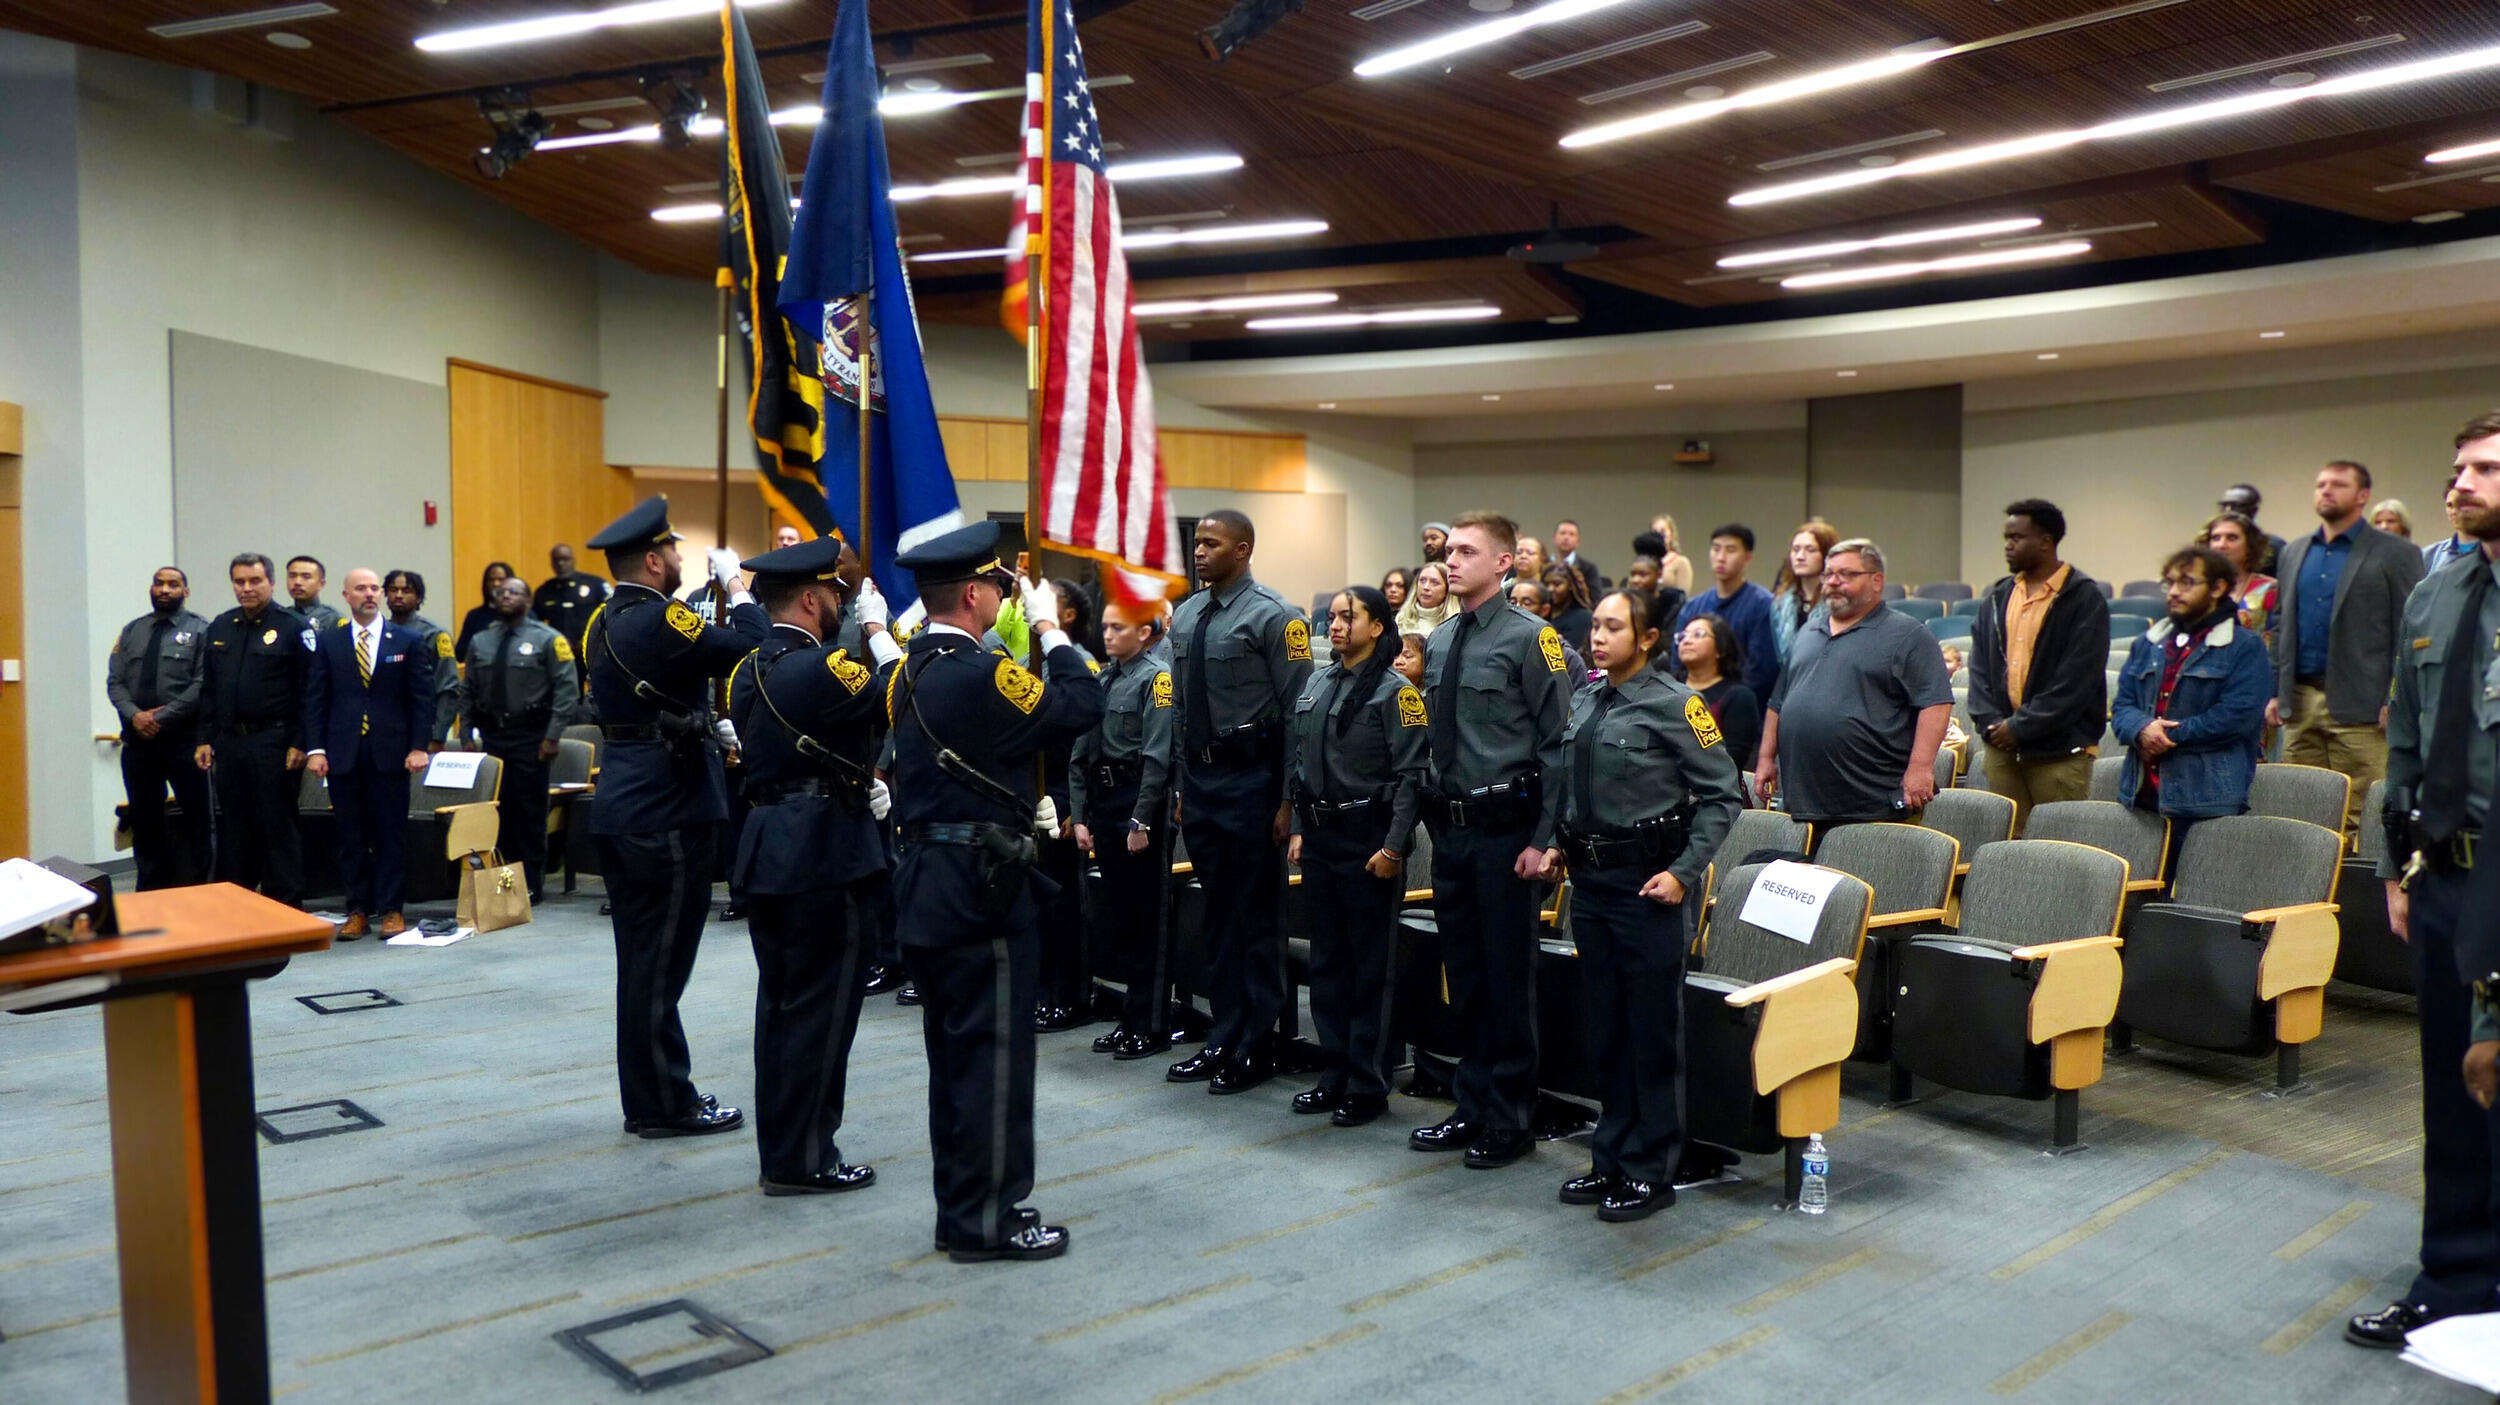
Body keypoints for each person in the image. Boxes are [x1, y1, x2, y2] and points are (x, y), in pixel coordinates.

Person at [886, 524, 1103, 1262]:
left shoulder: (908, 670)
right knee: (994, 1061)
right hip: (981, 887)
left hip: (926, 881)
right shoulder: (981, 672)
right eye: (1000, 590)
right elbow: (1080, 703)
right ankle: (991, 1219)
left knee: (953, 1061)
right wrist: (1050, 628)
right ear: (975, 594)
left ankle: (960, 1208)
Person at [2350, 411, 2500, 1349]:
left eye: (2487, 467)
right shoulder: (2436, 594)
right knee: (2453, 1090)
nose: (2464, 482)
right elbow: (2404, 741)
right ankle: (2456, 1274)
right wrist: (2395, 869)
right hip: (2446, 876)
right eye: (2460, 468)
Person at [1547, 589, 1742, 1221]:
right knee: (1606, 1030)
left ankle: (1650, 1170)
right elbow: (1569, 788)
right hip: (1592, 886)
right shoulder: (1586, 698)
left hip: (1647, 887)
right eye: (1595, 627)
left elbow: (1724, 797)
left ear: (1648, 638)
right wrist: (1554, 844)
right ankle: (1609, 1158)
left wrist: (1683, 874)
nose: (1597, 638)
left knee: (1651, 1034)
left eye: (1613, 628)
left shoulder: (1678, 705)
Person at [583, 497, 773, 1140]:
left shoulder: (601, 622)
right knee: (659, 968)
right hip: (665, 807)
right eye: (671, 552)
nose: (677, 560)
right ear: (652, 560)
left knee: (640, 964)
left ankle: (647, 1098)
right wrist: (736, 587)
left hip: (624, 800)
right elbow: (753, 645)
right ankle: (666, 1103)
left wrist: (698, 720)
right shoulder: (662, 617)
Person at [727, 535, 901, 1197]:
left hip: (768, 845)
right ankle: (807, 1158)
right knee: (824, 1013)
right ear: (808, 598)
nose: (839, 603)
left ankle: (783, 1150)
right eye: (832, 592)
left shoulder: (747, 670)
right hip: (826, 851)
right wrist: (879, 633)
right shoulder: (825, 666)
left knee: (780, 1006)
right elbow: (905, 693)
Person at [1414, 511, 1570, 1169]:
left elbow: (1560, 744)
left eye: (1466, 552)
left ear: (1504, 563)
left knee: (1508, 980)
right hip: (1452, 829)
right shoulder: (1442, 640)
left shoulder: (1534, 639)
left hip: (1508, 833)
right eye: (1448, 551)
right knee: (1467, 976)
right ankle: (1472, 1102)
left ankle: (1510, 1117)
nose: (1451, 561)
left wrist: (1546, 838)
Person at [1167, 510, 1313, 1093]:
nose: (1199, 551)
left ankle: (1259, 1042)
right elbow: (1180, 710)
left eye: (1212, 543)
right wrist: (1182, 786)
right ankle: (1224, 1033)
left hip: (1254, 782)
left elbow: (1299, 715)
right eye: (1197, 543)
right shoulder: (1186, 614)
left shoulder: (1277, 616)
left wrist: (1288, 801)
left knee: (1257, 918)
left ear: (1243, 549)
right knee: (1218, 916)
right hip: (1202, 783)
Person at [1286, 585, 1429, 1127]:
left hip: (1370, 840)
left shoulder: (1397, 693)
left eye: (1350, 616)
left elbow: (1412, 778)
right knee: (1328, 961)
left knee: (1369, 967)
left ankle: (1368, 1083)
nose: (1336, 624)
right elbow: (1301, 763)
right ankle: (1335, 1071)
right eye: (1334, 616)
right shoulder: (1318, 681)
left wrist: (1394, 845)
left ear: (1377, 627)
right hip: (1321, 837)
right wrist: (1298, 828)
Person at [2267, 460, 2425, 837]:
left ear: (2362, 495)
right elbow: (2281, 624)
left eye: (2338, 484)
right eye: (2321, 484)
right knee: (2300, 811)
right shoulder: (2294, 551)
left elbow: (2413, 628)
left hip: (2364, 706)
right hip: (2300, 702)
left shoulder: (2395, 551)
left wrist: (2396, 697)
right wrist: (2274, 690)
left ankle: (2359, 879)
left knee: (2363, 815)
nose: (2326, 490)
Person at [1757, 540, 1952, 831]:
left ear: (1877, 581)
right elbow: (1778, 702)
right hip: (1802, 801)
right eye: (1829, 574)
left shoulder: (1909, 635)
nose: (1833, 582)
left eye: (1846, 574)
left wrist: (1920, 767)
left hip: (1873, 803)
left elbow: (1935, 702)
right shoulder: (1809, 631)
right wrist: (1765, 758)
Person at [2109, 545, 2272, 876]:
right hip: (2142, 795)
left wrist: (2166, 735)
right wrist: (2141, 729)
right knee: (2140, 893)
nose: (2173, 592)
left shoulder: (2245, 646)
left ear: (2217, 588)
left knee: (2195, 893)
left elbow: (2238, 717)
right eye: (2169, 582)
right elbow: (2122, 705)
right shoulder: (2148, 643)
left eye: (2186, 582)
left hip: (2205, 799)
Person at [302, 569, 437, 938]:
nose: (370, 594)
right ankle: (358, 909)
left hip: (391, 752)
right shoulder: (330, 641)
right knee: (350, 836)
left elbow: (422, 699)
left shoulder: (407, 640)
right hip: (343, 752)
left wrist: (418, 746)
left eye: (375, 588)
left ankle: (392, 909)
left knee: (390, 834)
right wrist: (316, 749)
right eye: (361, 589)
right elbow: (316, 698)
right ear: (346, 595)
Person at [1072, 594, 1177, 1060]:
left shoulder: (1157, 679)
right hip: (1104, 802)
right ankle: (1129, 1018)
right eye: (1106, 627)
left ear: (1145, 633)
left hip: (1137, 803)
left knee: (1146, 919)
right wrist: (1080, 817)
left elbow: (1157, 758)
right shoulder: (1102, 679)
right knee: (1118, 917)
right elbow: (1080, 754)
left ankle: (1150, 1024)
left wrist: (1141, 818)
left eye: (1118, 628)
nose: (1108, 634)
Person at [1965, 501, 2110, 831]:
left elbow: (2076, 681)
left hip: (2058, 751)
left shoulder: (2083, 599)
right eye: (2006, 538)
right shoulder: (1998, 596)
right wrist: (1991, 723)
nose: (2008, 545)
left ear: (2045, 541)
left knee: (2057, 847)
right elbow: (1980, 669)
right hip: (2002, 750)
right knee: (2010, 846)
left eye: (2016, 537)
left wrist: (2019, 728)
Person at [192, 554, 310, 906]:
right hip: (230, 742)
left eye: (255, 581)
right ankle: (240, 905)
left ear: (271, 583)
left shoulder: (293, 627)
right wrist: (204, 739)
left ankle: (284, 906)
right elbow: (209, 689)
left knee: (276, 825)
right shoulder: (221, 626)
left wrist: (301, 741)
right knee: (234, 827)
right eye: (239, 581)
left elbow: (310, 691)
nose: (246, 588)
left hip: (274, 741)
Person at [454, 576, 582, 902]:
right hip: (493, 736)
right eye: (502, 592)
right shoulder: (481, 640)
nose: (506, 596)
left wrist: (552, 737)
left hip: (531, 737)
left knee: (529, 813)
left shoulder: (548, 639)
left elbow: (567, 692)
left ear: (527, 600)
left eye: (514, 592)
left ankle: (531, 884)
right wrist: (466, 734)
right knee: (499, 813)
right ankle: (504, 883)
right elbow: (467, 691)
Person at [106, 567, 211, 889]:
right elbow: (115, 682)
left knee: (198, 819)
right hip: (139, 743)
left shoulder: (201, 630)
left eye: (173, 584)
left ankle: (200, 889)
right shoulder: (133, 630)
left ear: (185, 591)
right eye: (159, 584)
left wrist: (161, 717)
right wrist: (136, 716)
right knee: (145, 821)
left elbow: (202, 684)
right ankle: (151, 890)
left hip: (184, 742)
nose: (165, 590)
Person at [1674, 524, 1781, 697]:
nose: (1721, 557)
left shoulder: (1763, 605)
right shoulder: (1693, 606)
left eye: (1730, 550)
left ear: (1747, 557)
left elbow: (1761, 671)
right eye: (1716, 549)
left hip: (1742, 701)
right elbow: (1677, 663)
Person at [1676, 614, 1760, 780]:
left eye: (1698, 634)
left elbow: (1731, 762)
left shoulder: (1738, 697)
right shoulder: (1666, 687)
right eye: (1683, 636)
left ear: (1721, 649)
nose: (1687, 641)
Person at [383, 570, 459, 747]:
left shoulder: (434, 634)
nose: (399, 595)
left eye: (406, 591)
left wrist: (438, 735)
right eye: (393, 590)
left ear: (418, 597)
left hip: (420, 729)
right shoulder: (378, 632)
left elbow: (448, 688)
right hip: (384, 730)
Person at [2201, 511, 2279, 644]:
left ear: (2249, 546)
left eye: (2232, 538)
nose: (2221, 545)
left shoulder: (2270, 588)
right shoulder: (2198, 587)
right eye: (2216, 538)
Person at [1769, 521, 1838, 665]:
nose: (1800, 556)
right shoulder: (1781, 603)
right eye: (1795, 550)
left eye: (1810, 550)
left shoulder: (1837, 601)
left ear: (1826, 555)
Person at [535, 543, 612, 657]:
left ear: (573, 560)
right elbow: (535, 622)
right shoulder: (545, 590)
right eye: (556, 560)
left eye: (565, 559)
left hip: (592, 651)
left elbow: (611, 613)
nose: (561, 563)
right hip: (559, 653)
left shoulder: (595, 584)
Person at [2218, 483, 2286, 576]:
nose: (2228, 511)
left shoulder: (2273, 546)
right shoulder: (2210, 544)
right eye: (2224, 505)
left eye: (2235, 505)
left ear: (2254, 510)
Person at [457, 560, 519, 660]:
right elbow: (460, 654)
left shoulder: (522, 614)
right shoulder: (474, 616)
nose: (496, 584)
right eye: (491, 580)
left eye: (501, 579)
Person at [1541, 563, 1593, 659]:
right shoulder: (1542, 613)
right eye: (1546, 584)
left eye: (1557, 584)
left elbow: (1574, 656)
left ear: (1570, 586)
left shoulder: (1582, 617)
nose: (1550, 589)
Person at [1395, 561, 1460, 637]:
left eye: (1435, 583)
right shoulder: (1401, 619)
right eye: (1422, 580)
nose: (1426, 587)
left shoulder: (1455, 624)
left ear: (1447, 590)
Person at [2425, 484, 2475, 573]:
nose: (2454, 511)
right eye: (2450, 505)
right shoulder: (2432, 555)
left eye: (2461, 505)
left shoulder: (2492, 552)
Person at [286, 555, 342, 633]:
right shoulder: (281, 616)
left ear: (321, 584)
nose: (297, 582)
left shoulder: (332, 618)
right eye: (292, 576)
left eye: (306, 577)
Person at [1649, 516, 1696, 596]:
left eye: (1663, 531)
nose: (1659, 535)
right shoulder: (1646, 562)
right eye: (1655, 532)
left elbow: (1682, 597)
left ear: (1671, 535)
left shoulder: (1681, 562)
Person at [1553, 519, 1601, 590]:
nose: (1566, 538)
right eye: (1562, 533)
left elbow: (1595, 595)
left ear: (1577, 542)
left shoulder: (1589, 568)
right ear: (1554, 538)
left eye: (1571, 534)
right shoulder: (1544, 564)